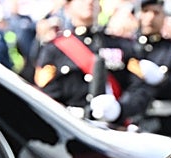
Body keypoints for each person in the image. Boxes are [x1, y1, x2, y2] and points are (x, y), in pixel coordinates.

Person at [31, 0, 157, 128]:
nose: (89, 2)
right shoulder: (54, 49)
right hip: (70, 128)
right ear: (67, 6)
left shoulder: (120, 44)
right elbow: (46, 94)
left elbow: (139, 88)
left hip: (113, 129)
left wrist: (120, 109)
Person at [130, 0, 171, 138]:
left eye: (156, 12)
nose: (150, 17)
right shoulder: (128, 48)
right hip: (131, 118)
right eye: (145, 11)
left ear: (164, 16)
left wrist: (162, 80)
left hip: (164, 124)